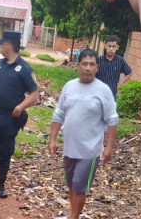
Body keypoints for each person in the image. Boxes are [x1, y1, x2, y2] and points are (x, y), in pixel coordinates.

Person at [49, 49, 118, 219]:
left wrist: (108, 148)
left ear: (97, 67)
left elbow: (112, 120)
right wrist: (52, 139)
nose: (88, 68)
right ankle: (74, 215)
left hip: (90, 150)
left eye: (92, 64)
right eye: (85, 64)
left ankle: (73, 217)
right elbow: (59, 114)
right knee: (72, 185)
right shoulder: (69, 86)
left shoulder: (103, 90)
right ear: (78, 66)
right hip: (70, 148)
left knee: (79, 186)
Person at [0, 31, 39, 199]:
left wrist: (19, 108)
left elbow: (34, 94)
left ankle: (1, 184)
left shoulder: (24, 68)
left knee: (4, 152)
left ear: (9, 45)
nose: (0, 46)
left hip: (9, 118)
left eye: (2, 44)